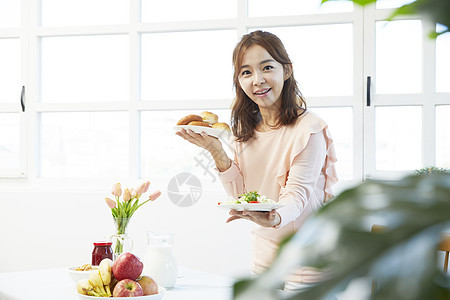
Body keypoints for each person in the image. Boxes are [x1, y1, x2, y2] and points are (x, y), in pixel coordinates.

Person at [176, 30, 338, 289]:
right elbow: (244, 196)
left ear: (286, 71)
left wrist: (274, 217)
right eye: (246, 72)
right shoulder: (244, 132)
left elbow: (297, 194)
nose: (258, 80)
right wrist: (217, 152)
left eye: (267, 67)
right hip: (264, 261)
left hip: (307, 264)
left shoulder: (310, 129)